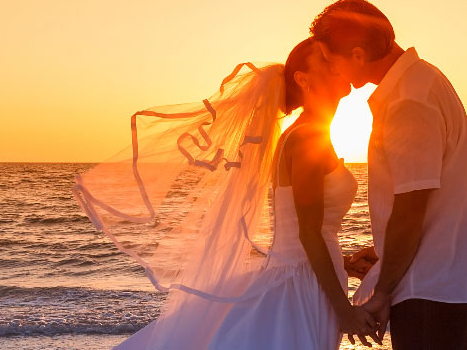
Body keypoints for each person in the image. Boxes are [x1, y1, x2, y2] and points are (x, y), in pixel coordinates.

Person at [78, 37, 377, 350]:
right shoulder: (305, 139)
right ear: (303, 79)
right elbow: (308, 234)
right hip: (301, 290)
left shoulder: (312, 133)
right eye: (326, 62)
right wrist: (345, 312)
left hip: (308, 280)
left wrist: (342, 262)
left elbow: (300, 232)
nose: (337, 66)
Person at [311, 0, 467, 350]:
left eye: (330, 59)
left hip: (430, 288)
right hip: (450, 282)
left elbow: (411, 209)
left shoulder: (408, 101)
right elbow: (434, 201)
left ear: (358, 54)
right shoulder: (423, 80)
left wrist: (382, 293)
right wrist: (384, 253)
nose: (332, 69)